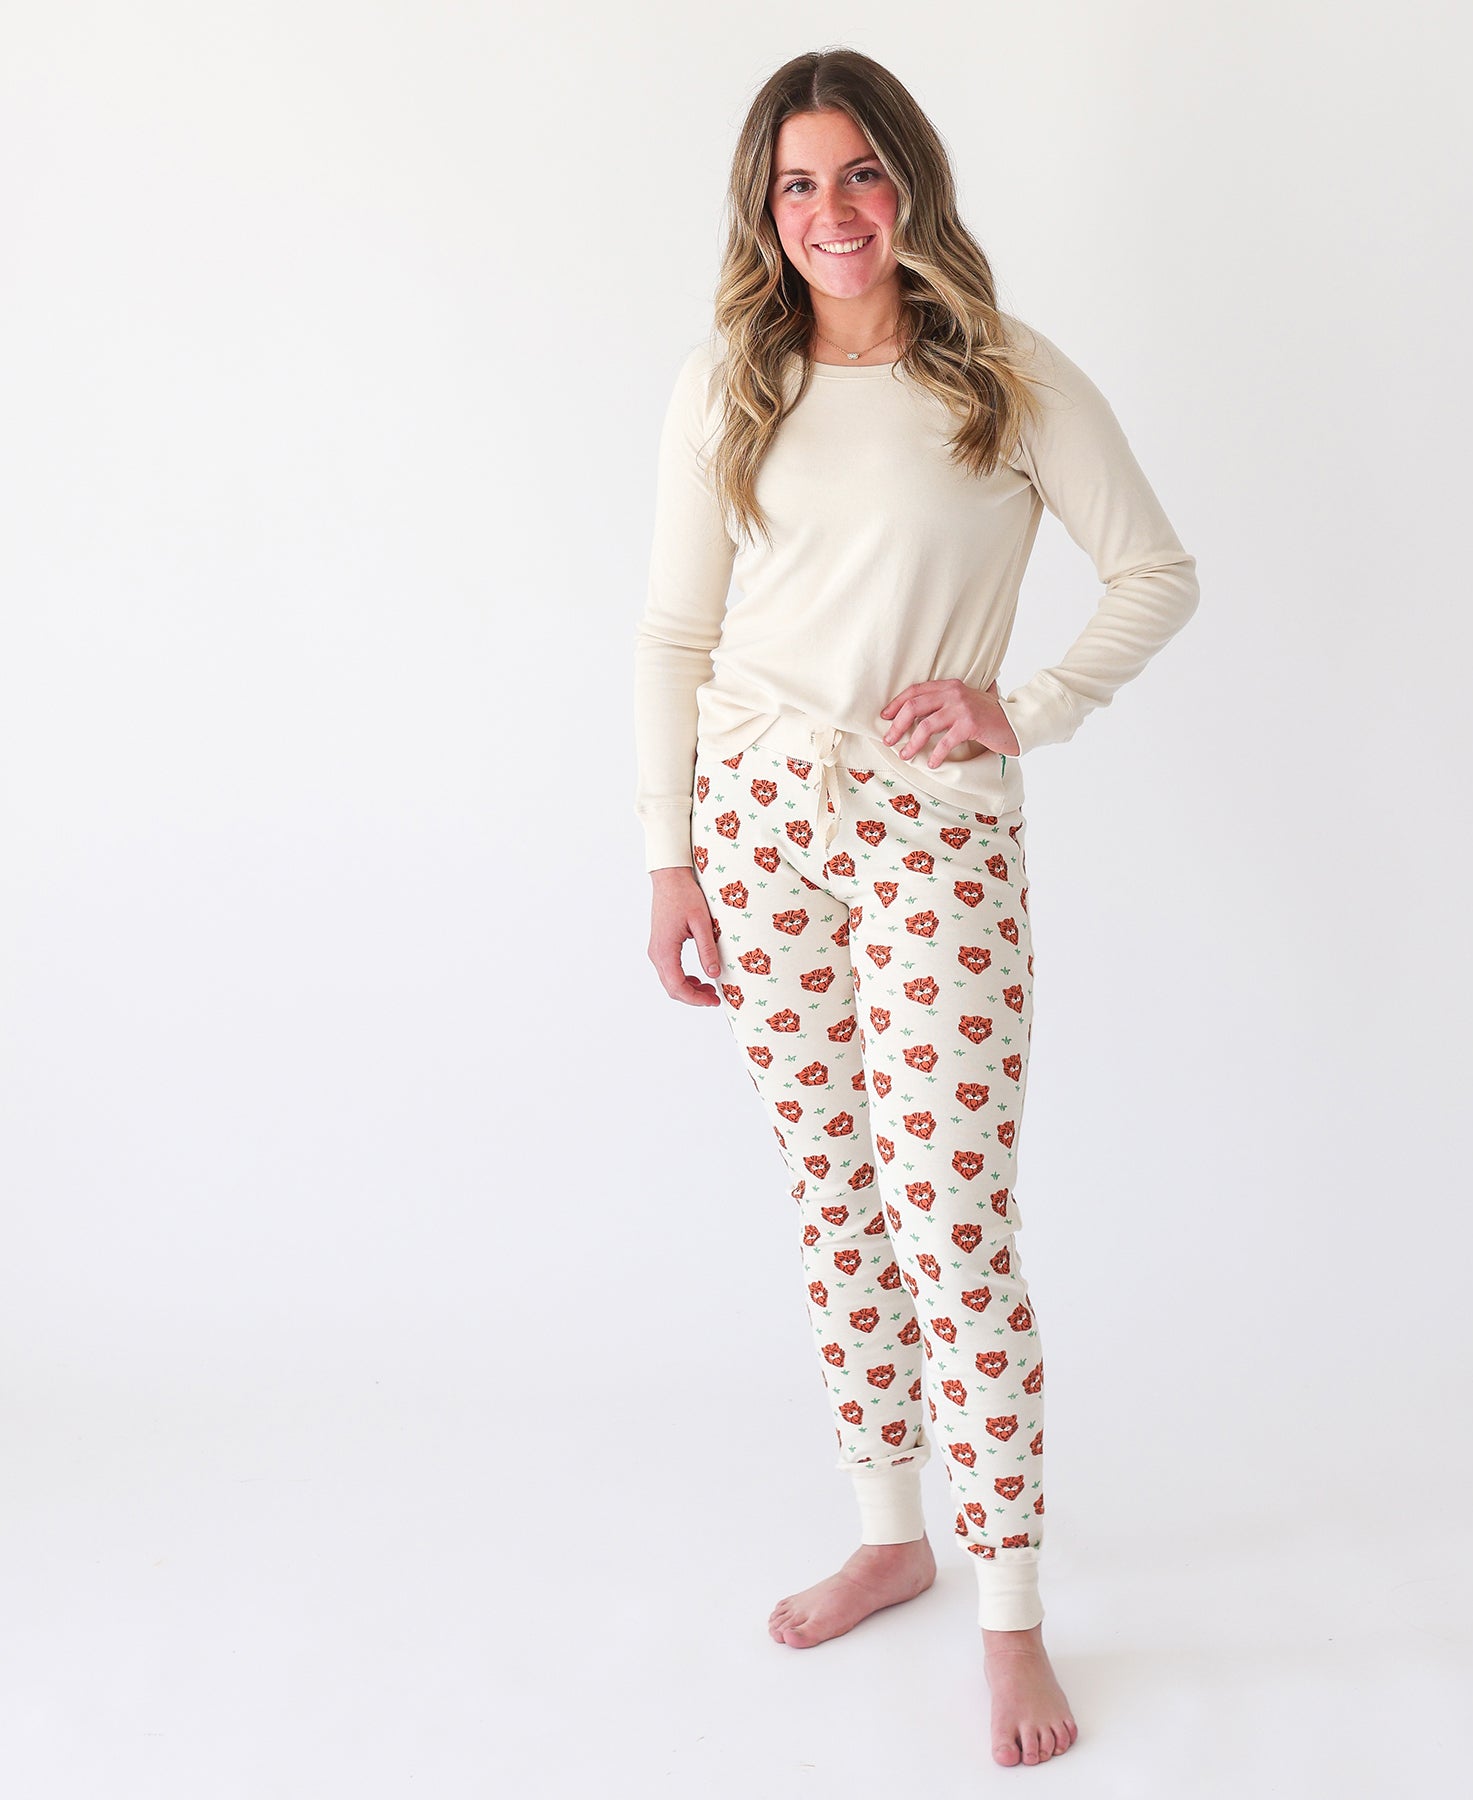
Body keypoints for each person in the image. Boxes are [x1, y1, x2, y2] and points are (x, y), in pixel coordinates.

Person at [633, 48, 1198, 1770]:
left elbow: (1156, 571)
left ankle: (1010, 1609)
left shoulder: (1004, 376)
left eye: (861, 174)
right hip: (758, 823)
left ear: (913, 184)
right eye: (798, 184)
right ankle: (893, 1533)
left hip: (929, 829)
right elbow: (674, 635)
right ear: (765, 208)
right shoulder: (732, 380)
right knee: (836, 1194)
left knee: (953, 1216)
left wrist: (1023, 706)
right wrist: (671, 855)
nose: (833, 213)